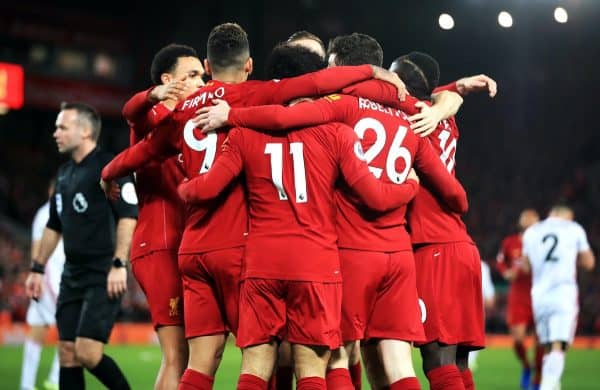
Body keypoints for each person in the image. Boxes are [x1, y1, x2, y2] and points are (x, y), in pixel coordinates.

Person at [100, 22, 405, 390]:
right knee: (292, 358)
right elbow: (316, 87)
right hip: (250, 250)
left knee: (200, 365)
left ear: (208, 68)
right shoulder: (257, 102)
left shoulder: (186, 111)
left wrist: (109, 172)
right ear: (248, 67)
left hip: (197, 247)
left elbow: (143, 151)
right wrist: (374, 71)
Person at [194, 40, 469, 390]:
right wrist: (412, 182)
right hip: (398, 254)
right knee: (399, 365)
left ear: (339, 66)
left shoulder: (341, 107)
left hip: (350, 249)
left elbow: (283, 116)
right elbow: (457, 196)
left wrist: (231, 115)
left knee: (334, 355)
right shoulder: (411, 113)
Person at [177, 100, 425, 390]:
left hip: (262, 265)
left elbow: (206, 189)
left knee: (255, 367)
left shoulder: (245, 134)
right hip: (315, 263)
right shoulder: (337, 133)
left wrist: (182, 187)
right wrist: (410, 186)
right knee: (312, 369)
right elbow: (377, 197)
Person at [390, 52, 496, 390]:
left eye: (394, 79)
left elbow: (443, 96)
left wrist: (450, 95)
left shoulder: (412, 119)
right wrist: (458, 87)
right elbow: (447, 96)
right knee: (458, 361)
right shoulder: (442, 117)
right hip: (460, 248)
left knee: (437, 358)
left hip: (433, 248)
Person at [25, 102, 138, 390]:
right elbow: (54, 225)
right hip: (72, 275)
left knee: (87, 352)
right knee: (67, 354)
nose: (55, 133)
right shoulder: (64, 174)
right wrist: (37, 268)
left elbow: (127, 217)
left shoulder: (110, 167)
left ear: (85, 131)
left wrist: (118, 264)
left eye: (62, 127)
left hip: (102, 273)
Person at [118, 43, 204, 390]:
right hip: (159, 246)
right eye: (193, 74)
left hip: (182, 247)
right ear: (168, 80)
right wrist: (155, 95)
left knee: (188, 357)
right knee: (177, 357)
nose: (202, 81)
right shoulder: (151, 123)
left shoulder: (192, 126)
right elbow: (131, 110)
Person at [522, 205, 595, 390]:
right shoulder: (573, 228)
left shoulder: (531, 231)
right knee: (559, 346)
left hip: (538, 296)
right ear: (567, 215)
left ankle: (552, 384)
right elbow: (589, 262)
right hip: (563, 294)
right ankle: (547, 386)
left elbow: (526, 266)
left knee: (547, 346)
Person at [20, 179, 65, 390]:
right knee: (71, 328)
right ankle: (55, 380)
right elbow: (38, 247)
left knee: (37, 331)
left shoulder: (45, 212)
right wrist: (37, 275)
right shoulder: (49, 212)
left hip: (46, 277)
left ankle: (26, 385)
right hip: (50, 278)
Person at [497, 209, 543, 389]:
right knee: (517, 339)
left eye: (534, 220)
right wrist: (505, 272)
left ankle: (538, 378)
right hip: (518, 296)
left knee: (541, 341)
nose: (531, 222)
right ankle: (526, 366)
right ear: (521, 223)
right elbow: (501, 261)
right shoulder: (510, 242)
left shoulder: (543, 242)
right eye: (528, 220)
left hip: (539, 294)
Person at [468, 260, 496, 371]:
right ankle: (469, 363)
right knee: (474, 336)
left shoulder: (482, 265)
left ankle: (469, 363)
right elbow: (487, 288)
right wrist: (489, 297)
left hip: (467, 305)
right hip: (475, 306)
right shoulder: (481, 265)